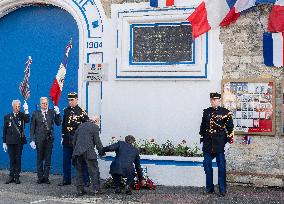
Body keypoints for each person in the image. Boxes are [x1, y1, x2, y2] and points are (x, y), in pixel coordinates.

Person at [199, 92, 234, 197]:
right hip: (208, 143)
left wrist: (228, 142)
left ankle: (222, 189)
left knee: (221, 167)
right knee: (207, 166)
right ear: (210, 101)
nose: (213, 102)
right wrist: (201, 140)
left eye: (216, 100)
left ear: (219, 100)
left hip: (220, 143)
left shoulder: (225, 112)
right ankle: (209, 188)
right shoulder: (206, 112)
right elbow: (203, 127)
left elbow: (230, 128)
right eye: (212, 100)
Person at [58, 92, 89, 186]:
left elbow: (86, 126)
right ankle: (66, 180)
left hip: (78, 141)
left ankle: (86, 180)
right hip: (67, 140)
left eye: (72, 100)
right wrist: (62, 136)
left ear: (76, 100)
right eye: (69, 100)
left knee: (81, 161)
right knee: (66, 161)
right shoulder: (65, 111)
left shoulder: (82, 111)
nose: (70, 102)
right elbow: (64, 125)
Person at [30, 97, 61, 184]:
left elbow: (58, 123)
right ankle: (40, 177)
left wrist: (58, 113)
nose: (45, 105)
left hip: (49, 139)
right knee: (39, 159)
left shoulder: (51, 112)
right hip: (39, 139)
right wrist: (32, 140)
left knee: (48, 159)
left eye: (46, 103)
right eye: (43, 103)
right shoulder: (35, 113)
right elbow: (32, 128)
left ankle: (46, 177)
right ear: (40, 104)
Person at [72, 116, 104, 196]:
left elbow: (74, 141)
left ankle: (80, 190)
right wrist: (101, 152)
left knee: (79, 171)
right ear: (96, 121)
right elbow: (97, 142)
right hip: (88, 151)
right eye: (98, 122)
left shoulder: (81, 126)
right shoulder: (95, 127)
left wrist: (76, 150)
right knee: (94, 171)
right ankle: (96, 189)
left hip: (77, 152)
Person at [2, 100, 30, 184]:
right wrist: (4, 142)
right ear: (13, 107)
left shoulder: (22, 115)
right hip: (10, 142)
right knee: (11, 159)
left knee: (18, 159)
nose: (18, 108)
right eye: (16, 106)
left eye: (19, 106)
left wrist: (26, 110)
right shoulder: (7, 117)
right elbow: (5, 130)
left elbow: (27, 120)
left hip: (19, 141)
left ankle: (17, 176)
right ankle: (11, 176)